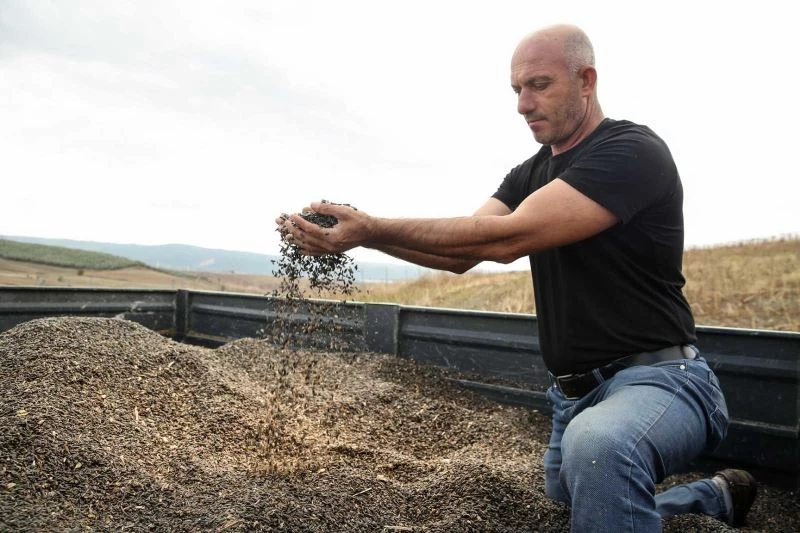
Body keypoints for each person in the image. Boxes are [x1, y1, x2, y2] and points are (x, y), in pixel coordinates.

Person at [277, 24, 758, 532]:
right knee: (581, 496)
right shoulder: (528, 173)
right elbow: (464, 250)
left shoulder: (631, 152)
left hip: (663, 382)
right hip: (573, 397)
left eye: (540, 85)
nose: (523, 104)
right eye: (517, 89)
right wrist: (361, 236)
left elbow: (505, 239)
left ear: (586, 80)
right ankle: (715, 499)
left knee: (600, 450)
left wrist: (374, 227)